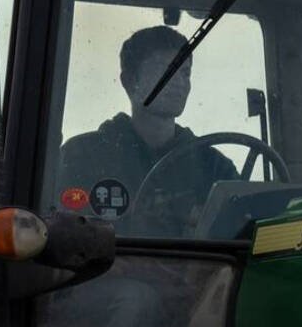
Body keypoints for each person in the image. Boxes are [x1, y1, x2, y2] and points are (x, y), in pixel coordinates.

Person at [57, 26, 239, 237]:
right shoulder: (82, 156)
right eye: (166, 71)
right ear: (129, 81)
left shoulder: (213, 166)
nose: (180, 82)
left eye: (185, 72)